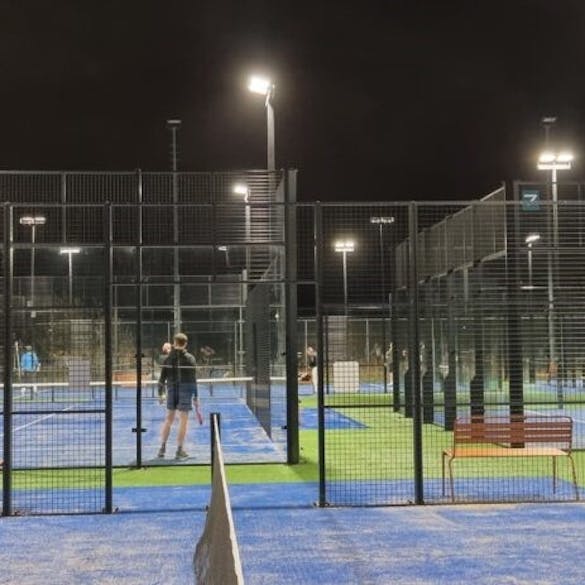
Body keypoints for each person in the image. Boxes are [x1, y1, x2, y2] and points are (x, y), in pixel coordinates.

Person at [157, 333, 202, 460]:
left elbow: (161, 379)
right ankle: (179, 450)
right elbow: (193, 380)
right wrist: (196, 397)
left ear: (175, 343)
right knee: (183, 421)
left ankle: (162, 448)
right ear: (186, 344)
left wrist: (160, 393)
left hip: (172, 390)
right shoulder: (190, 358)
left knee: (169, 419)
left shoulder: (168, 358)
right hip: (185, 390)